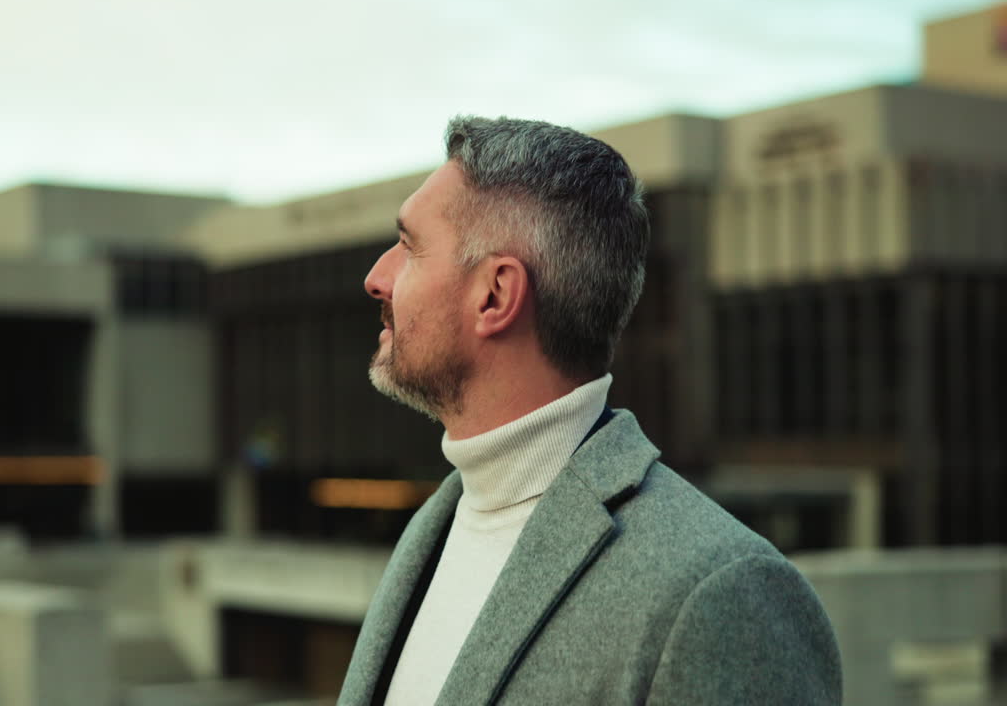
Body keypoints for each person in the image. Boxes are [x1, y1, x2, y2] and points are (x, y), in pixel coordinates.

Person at [339, 116, 842, 705]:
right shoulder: (433, 530)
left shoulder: (724, 595)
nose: (377, 278)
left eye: (409, 247)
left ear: (495, 295)